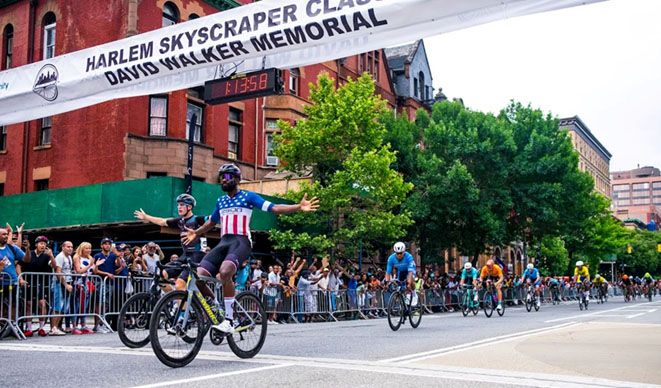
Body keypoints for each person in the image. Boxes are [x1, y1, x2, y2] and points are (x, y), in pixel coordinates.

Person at [182, 163, 319, 333]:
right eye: (221, 178)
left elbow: (274, 208)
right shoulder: (221, 201)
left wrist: (298, 207)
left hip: (241, 242)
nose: (224, 180)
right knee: (199, 276)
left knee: (225, 272)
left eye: (228, 177)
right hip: (224, 242)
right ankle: (216, 306)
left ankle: (229, 320)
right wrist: (196, 232)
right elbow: (211, 222)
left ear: (237, 179)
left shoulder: (248, 197)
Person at [134, 193, 206, 289]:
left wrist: (197, 232)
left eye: (182, 205)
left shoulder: (198, 219)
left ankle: (186, 300)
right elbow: (162, 221)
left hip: (197, 256)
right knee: (161, 277)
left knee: (180, 284)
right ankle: (173, 300)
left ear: (189, 207)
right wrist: (146, 217)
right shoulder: (180, 221)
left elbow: (212, 221)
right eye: (178, 205)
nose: (179, 207)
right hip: (185, 256)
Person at [16, 235, 52, 337]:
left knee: (42, 304)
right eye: (41, 243)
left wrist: (52, 256)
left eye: (45, 244)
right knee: (29, 305)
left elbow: (54, 266)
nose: (43, 245)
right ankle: (29, 329)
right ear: (36, 244)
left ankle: (41, 328)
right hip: (28, 283)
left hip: (41, 284)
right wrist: (21, 278)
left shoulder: (46, 256)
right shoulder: (29, 254)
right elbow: (19, 265)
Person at [0, 227, 30, 324]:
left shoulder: (12, 248)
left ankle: (11, 326)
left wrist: (28, 249)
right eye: (3, 234)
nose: (6, 236)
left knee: (13, 305)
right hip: (1, 283)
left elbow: (26, 260)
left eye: (7, 234)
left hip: (12, 282)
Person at [49, 241, 74, 336]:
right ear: (63, 247)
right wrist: (66, 285)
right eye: (68, 246)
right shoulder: (60, 256)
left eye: (71, 247)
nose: (70, 248)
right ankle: (53, 328)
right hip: (59, 283)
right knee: (58, 306)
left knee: (64, 307)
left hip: (67, 282)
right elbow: (58, 272)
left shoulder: (69, 257)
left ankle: (56, 327)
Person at [72, 242, 95, 334]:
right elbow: (78, 271)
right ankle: (74, 326)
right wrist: (89, 265)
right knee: (77, 305)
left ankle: (83, 325)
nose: (89, 250)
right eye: (87, 248)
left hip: (87, 283)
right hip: (78, 283)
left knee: (84, 306)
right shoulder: (77, 257)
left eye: (90, 248)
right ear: (82, 249)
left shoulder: (90, 258)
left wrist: (95, 265)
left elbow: (93, 271)